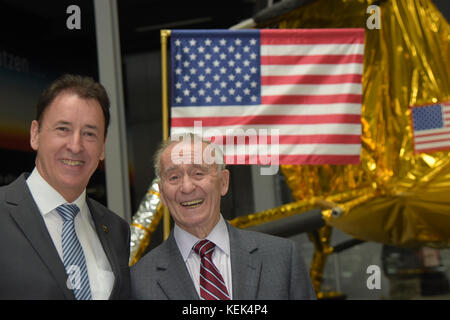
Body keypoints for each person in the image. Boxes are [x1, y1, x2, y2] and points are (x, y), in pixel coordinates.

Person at [131, 134, 316, 300]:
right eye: (173, 177)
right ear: (162, 194)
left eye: (198, 173)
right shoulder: (138, 282)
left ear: (224, 182)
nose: (187, 187)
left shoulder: (282, 258)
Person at [0, 74, 130, 299]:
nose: (75, 145)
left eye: (89, 133)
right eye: (63, 129)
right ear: (35, 134)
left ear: (102, 147)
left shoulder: (116, 229)